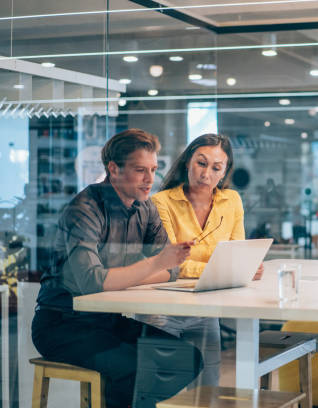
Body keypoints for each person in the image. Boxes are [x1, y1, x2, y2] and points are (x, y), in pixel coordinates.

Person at [31, 129, 201, 408]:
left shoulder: (145, 208)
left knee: (188, 359)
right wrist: (154, 264)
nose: (150, 179)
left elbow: (173, 269)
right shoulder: (84, 209)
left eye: (153, 170)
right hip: (62, 326)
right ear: (114, 169)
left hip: (108, 321)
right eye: (140, 170)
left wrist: (133, 273)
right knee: (135, 372)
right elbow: (92, 281)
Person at [145, 133, 263, 387]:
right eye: (201, 163)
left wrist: (245, 267)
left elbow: (237, 257)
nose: (205, 173)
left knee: (207, 388)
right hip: (164, 309)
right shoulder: (161, 202)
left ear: (224, 173)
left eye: (216, 167)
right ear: (188, 161)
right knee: (161, 388)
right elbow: (171, 264)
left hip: (207, 308)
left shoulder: (231, 201)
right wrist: (228, 269)